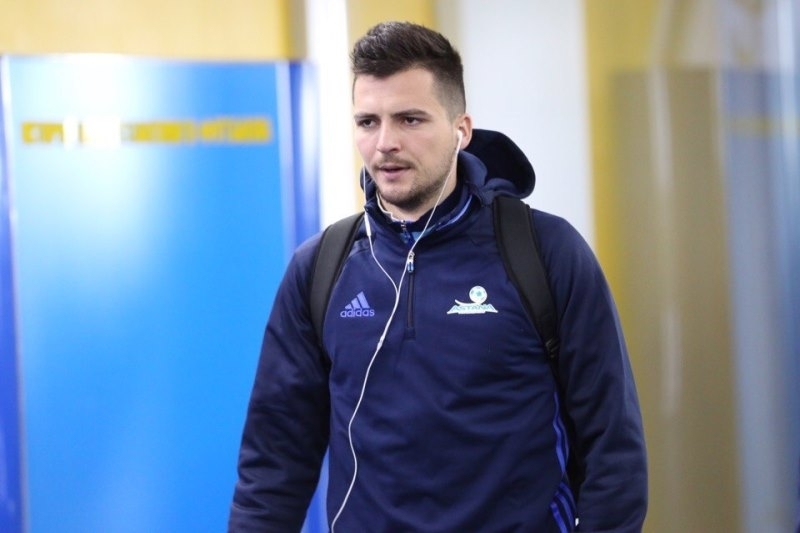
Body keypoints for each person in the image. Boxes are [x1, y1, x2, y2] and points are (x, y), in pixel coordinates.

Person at [229, 21, 647, 533]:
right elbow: (274, 459)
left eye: (410, 119)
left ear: (461, 130)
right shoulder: (321, 268)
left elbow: (613, 450)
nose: (385, 143)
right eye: (367, 122)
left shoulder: (544, 252)